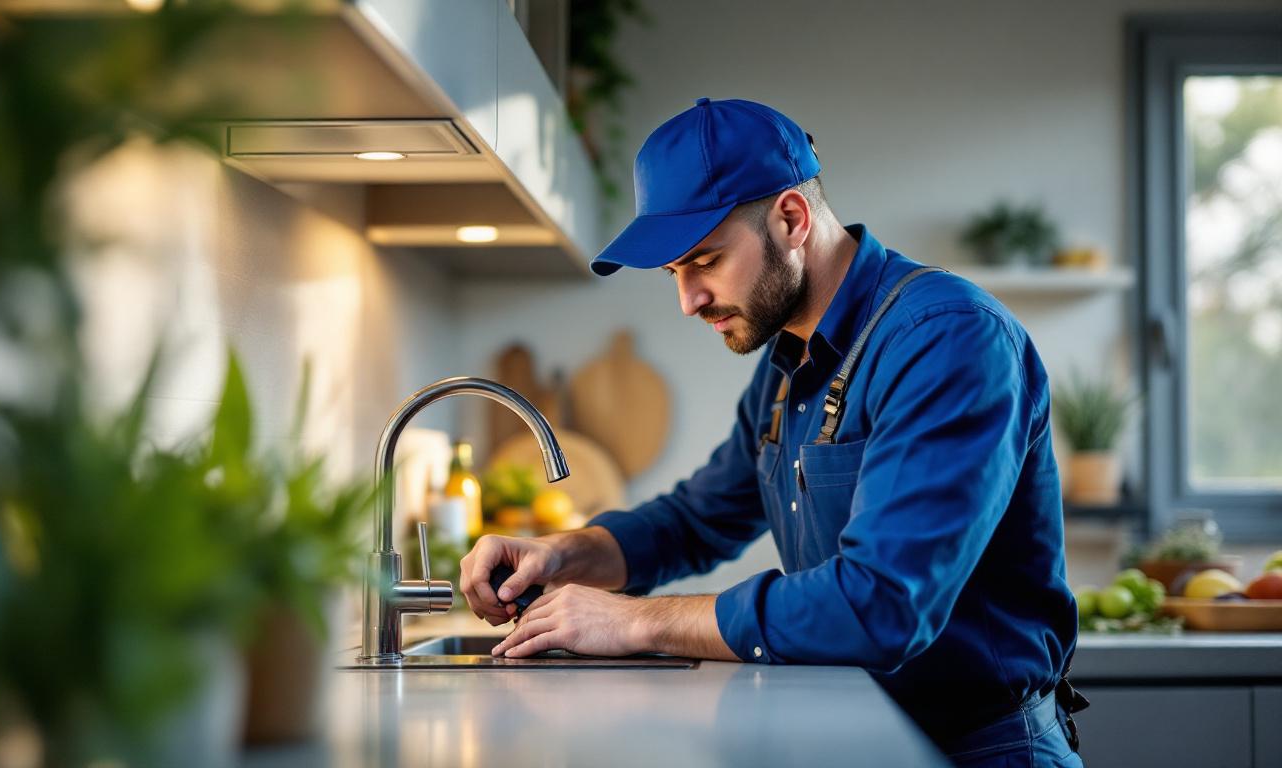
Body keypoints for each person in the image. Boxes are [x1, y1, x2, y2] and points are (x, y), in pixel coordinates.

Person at [459, 97, 1084, 767]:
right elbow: (695, 521)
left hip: (979, 751)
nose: (688, 301)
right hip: (862, 738)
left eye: (705, 260)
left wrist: (636, 621)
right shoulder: (788, 363)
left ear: (791, 218)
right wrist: (562, 553)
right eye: (674, 273)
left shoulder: (945, 339)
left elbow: (881, 606)